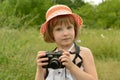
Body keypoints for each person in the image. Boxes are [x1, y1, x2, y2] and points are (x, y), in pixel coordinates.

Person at [35, 4, 98, 80]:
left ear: (74, 29)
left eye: (69, 27)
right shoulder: (49, 58)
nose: (65, 33)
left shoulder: (84, 53)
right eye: (59, 29)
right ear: (51, 33)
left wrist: (71, 67)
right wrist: (40, 69)